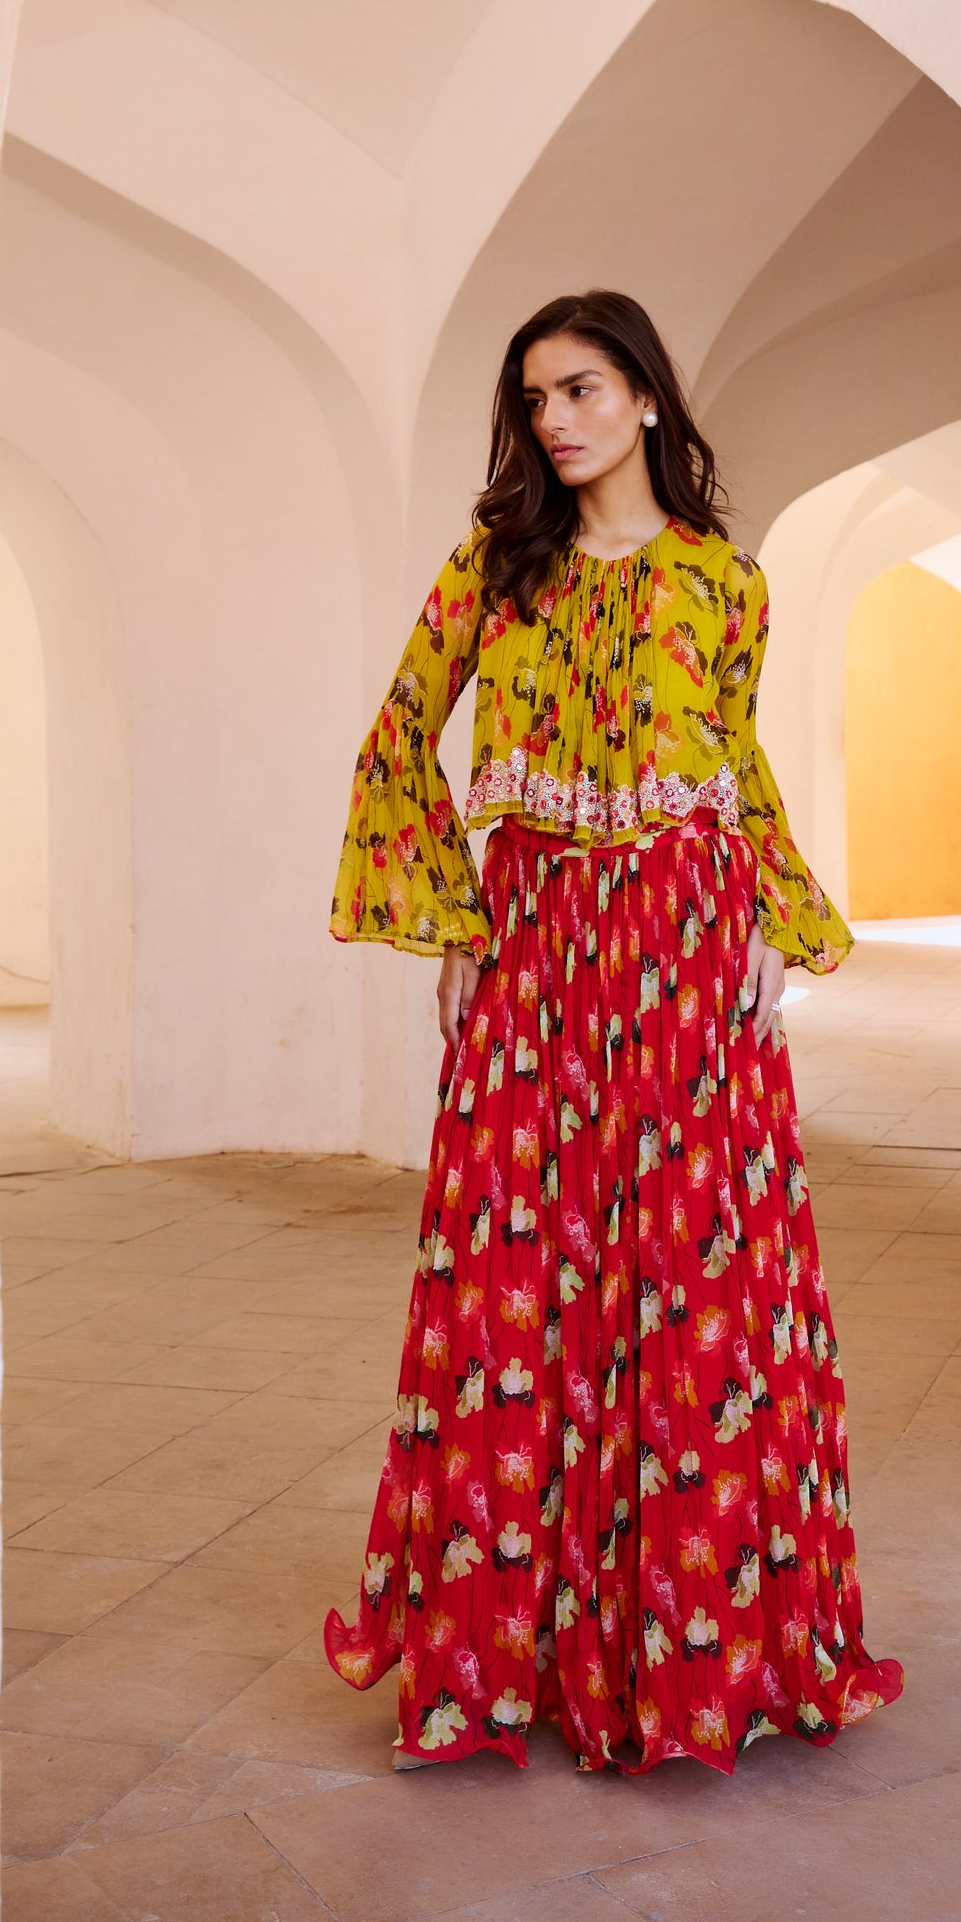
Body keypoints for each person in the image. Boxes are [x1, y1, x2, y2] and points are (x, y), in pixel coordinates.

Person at [323, 290, 902, 1774]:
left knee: (692, 1284)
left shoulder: (728, 581)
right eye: (534, 398)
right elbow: (402, 726)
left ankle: (696, 1662)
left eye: (581, 387)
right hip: (532, 956)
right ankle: (504, 1660)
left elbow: (732, 763)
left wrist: (773, 913)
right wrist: (454, 920)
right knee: (519, 1285)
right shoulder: (497, 568)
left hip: (687, 951)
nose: (556, 419)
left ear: (646, 396)